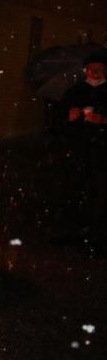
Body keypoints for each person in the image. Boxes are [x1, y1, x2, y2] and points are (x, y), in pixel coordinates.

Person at [61, 48, 107, 241]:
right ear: (85, 71)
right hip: (79, 146)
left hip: (103, 148)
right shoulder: (75, 91)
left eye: (99, 69)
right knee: (77, 184)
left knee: (100, 186)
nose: (95, 73)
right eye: (91, 69)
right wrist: (69, 117)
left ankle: (97, 226)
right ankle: (76, 225)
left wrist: (103, 121)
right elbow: (59, 117)